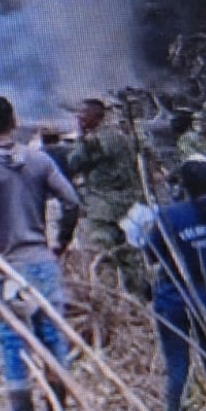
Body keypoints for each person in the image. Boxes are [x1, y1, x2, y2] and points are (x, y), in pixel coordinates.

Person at [0, 96, 81, 411]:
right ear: (15, 122)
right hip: (43, 264)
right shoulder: (39, 160)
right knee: (53, 338)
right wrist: (61, 241)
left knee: (13, 342)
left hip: (8, 271)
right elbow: (71, 201)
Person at [143, 156, 206, 411]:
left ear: (184, 185)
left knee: (177, 364)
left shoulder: (169, 215)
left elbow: (151, 254)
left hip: (173, 298)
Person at [66, 97, 147, 296]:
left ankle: (108, 300)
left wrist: (80, 137)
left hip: (104, 209)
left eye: (84, 113)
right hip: (128, 206)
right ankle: (138, 300)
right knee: (129, 256)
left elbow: (73, 163)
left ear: (96, 117)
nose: (79, 117)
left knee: (100, 257)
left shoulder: (96, 141)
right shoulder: (120, 136)